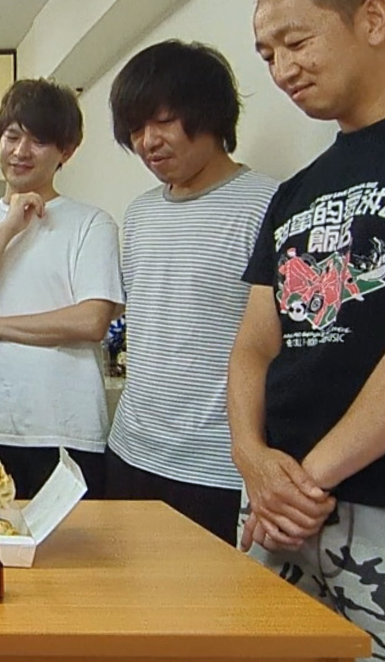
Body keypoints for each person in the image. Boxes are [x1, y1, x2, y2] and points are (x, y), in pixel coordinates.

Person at [231, 0, 385, 655]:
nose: (282, 70)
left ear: (373, 20)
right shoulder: (294, 192)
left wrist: (306, 481)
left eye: (296, 43)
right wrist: (252, 458)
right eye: (268, 55)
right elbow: (254, 346)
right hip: (278, 502)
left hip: (358, 503)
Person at [105, 40, 278, 544]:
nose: (148, 142)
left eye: (163, 121)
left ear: (210, 113)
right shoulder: (141, 212)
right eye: (136, 128)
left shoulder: (267, 205)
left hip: (217, 465)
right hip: (131, 448)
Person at [0, 78, 124, 500]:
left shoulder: (92, 224)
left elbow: (91, 321)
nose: (20, 152)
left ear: (66, 152)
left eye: (38, 141)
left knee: (73, 543)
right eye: (12, 136)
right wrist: (7, 229)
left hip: (66, 429)